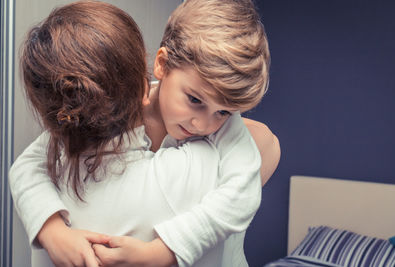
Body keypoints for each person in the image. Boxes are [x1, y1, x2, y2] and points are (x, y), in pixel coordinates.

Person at [9, 0, 280, 266]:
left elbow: (241, 195)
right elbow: (27, 165)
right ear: (161, 64)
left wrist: (166, 250)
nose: (204, 124)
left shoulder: (227, 126)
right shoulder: (117, 106)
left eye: (224, 112)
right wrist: (51, 228)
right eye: (194, 100)